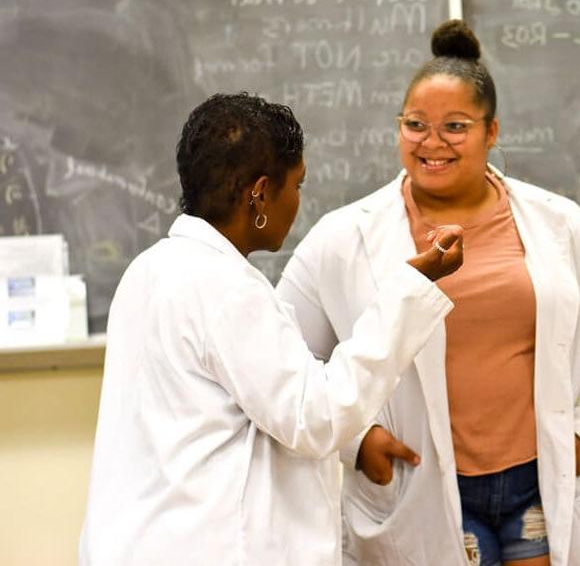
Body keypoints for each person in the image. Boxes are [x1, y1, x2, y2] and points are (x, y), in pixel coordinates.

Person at [276, 20, 580, 566]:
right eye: (414, 125)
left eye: (455, 126)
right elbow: (287, 359)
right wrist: (355, 441)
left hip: (537, 481)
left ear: (491, 131)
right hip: (417, 484)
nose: (432, 143)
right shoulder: (344, 237)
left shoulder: (558, 224)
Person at [79, 92, 464, 565]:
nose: (298, 200)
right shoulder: (224, 287)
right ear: (260, 193)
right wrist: (410, 289)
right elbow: (315, 416)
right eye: (297, 184)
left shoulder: (150, 269)